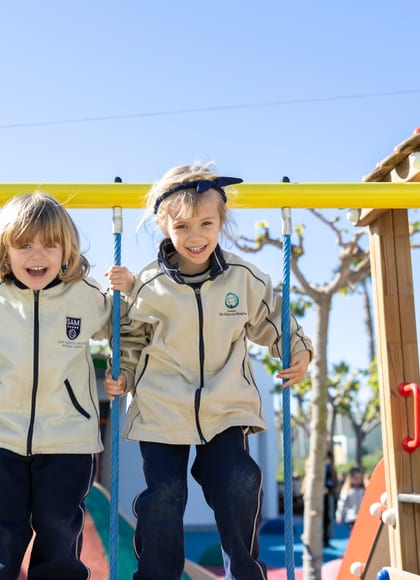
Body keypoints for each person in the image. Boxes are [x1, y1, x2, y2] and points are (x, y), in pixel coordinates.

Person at [104, 162, 314, 580]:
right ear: (164, 226)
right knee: (164, 495)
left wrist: (297, 349)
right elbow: (131, 337)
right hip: (162, 406)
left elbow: (272, 316)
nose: (195, 236)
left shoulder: (243, 278)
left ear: (221, 221)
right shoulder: (147, 285)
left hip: (225, 405)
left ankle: (245, 573)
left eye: (206, 224)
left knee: (239, 482)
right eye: (182, 227)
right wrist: (123, 372)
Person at [0, 191, 128, 580]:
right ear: (4, 253)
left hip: (69, 439)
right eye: (24, 245)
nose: (37, 255)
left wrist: (128, 291)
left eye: (49, 245)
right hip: (2, 435)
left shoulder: (85, 296)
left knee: (59, 527)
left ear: (66, 251)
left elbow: (121, 325)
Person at [336, 466, 366, 531]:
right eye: (355, 478)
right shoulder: (347, 491)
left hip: (362, 517)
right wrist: (339, 515)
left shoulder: (363, 490)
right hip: (351, 517)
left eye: (359, 478)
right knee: (354, 533)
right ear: (350, 479)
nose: (357, 480)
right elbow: (341, 504)